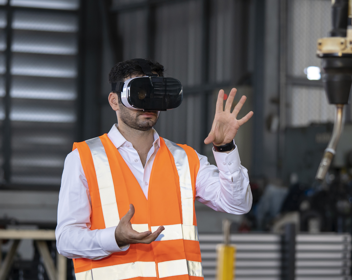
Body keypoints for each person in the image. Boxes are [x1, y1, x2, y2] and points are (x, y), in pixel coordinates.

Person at [56, 58, 253, 280]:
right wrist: (114, 238)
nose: (148, 104)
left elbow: (238, 204)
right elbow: (66, 239)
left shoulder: (185, 160)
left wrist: (225, 147)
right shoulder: (84, 158)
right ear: (114, 101)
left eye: (155, 94)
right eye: (139, 94)